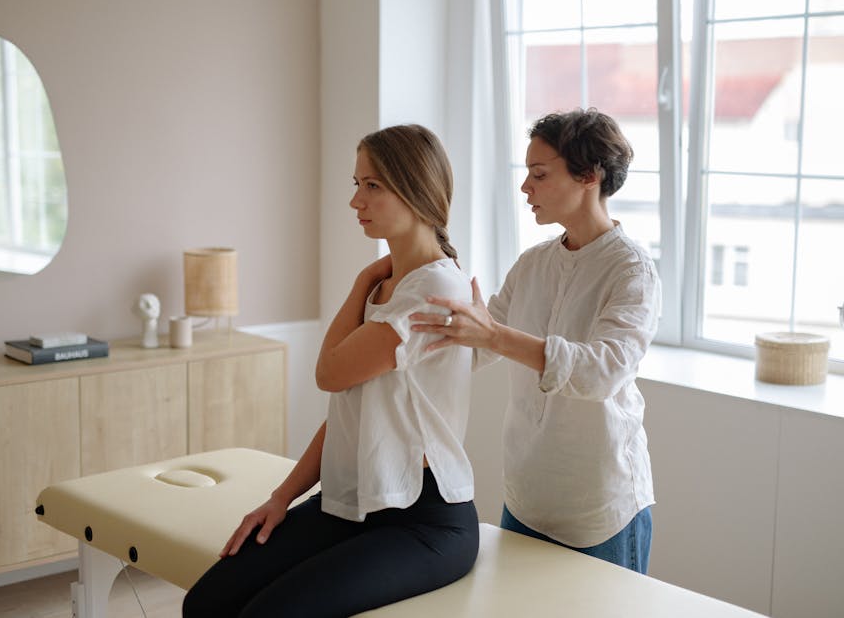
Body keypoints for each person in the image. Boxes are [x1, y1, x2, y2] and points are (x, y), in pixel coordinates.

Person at [182, 124, 478, 617]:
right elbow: (349, 412)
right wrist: (281, 498)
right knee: (206, 604)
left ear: (415, 189)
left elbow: (329, 373)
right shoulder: (390, 287)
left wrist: (361, 281)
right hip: (353, 502)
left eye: (372, 185)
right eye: (357, 184)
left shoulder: (435, 290)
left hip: (424, 521)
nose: (355, 200)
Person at [410, 108, 660, 574]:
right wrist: (409, 334)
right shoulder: (533, 263)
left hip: (599, 511)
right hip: (525, 501)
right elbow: (478, 347)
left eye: (539, 174)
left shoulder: (632, 270)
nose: (525, 187)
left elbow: (602, 372)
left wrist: (493, 334)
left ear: (589, 176)